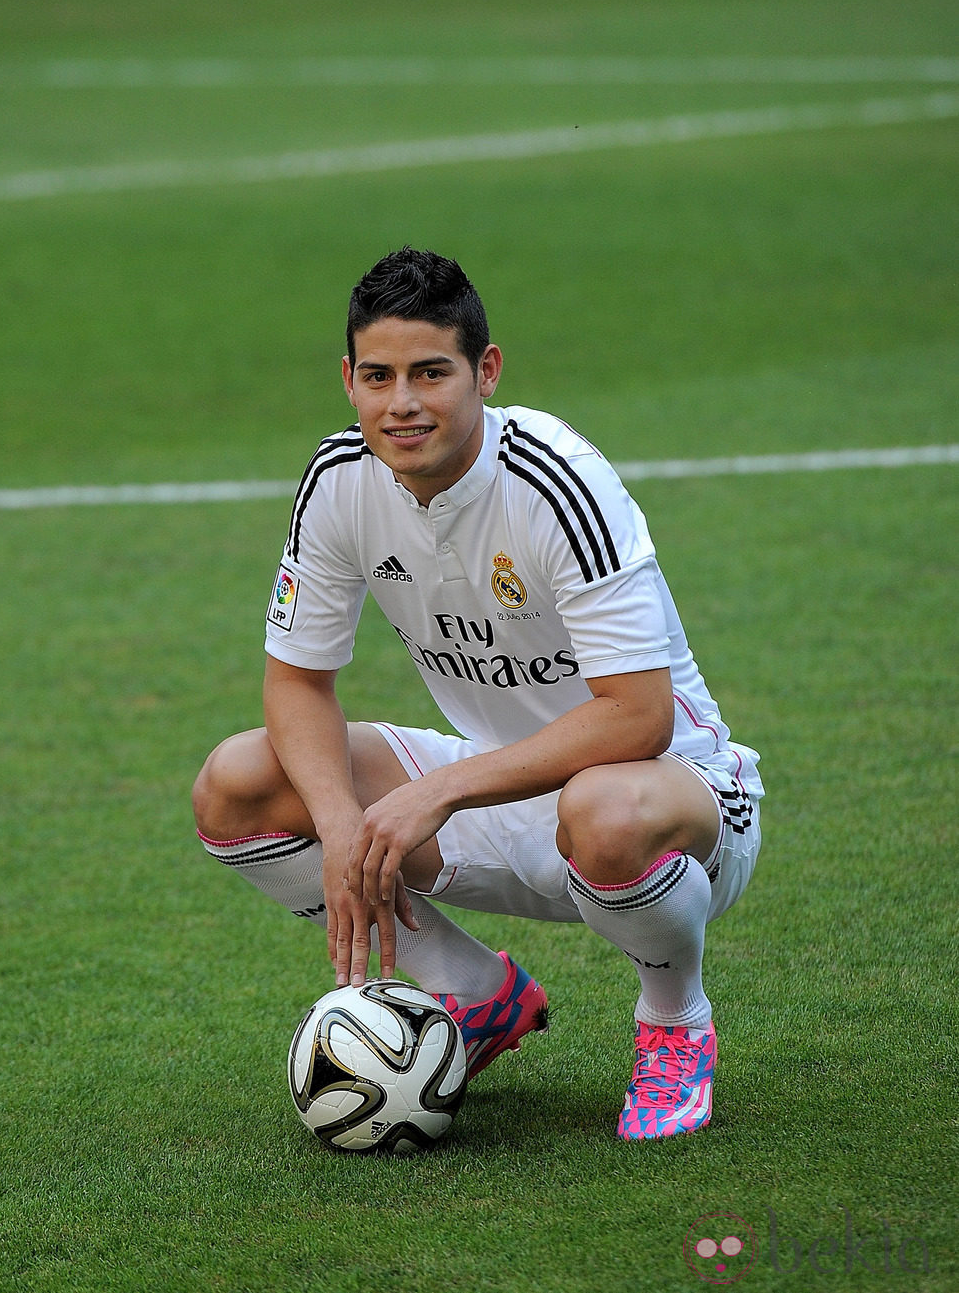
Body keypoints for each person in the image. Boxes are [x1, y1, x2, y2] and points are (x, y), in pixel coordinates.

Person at [192, 246, 763, 1140]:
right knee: (239, 781)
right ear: (348, 379)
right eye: (377, 375)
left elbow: (639, 715)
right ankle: (474, 994)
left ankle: (674, 1022)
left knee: (604, 807)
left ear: (485, 372)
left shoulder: (556, 479)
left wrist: (440, 788)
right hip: (506, 795)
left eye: (431, 372)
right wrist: (342, 823)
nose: (403, 402)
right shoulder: (339, 481)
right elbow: (297, 681)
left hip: (670, 798)